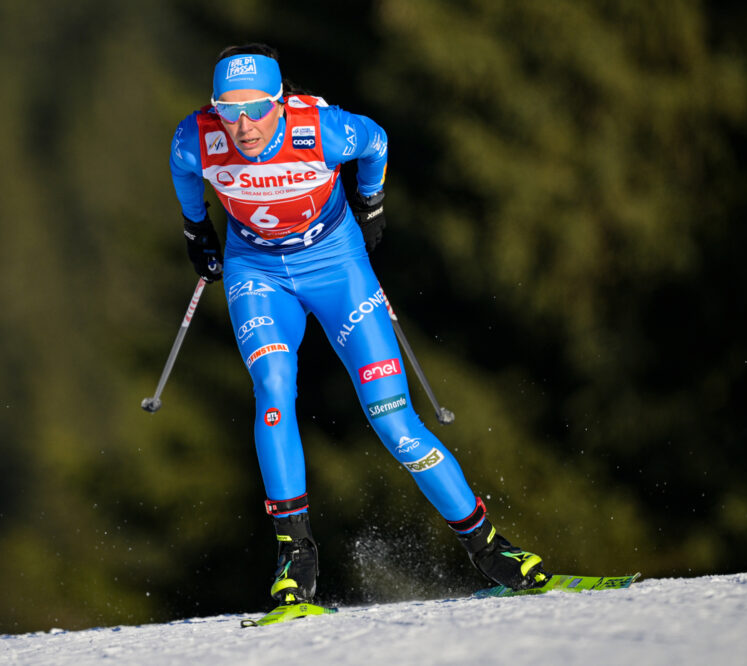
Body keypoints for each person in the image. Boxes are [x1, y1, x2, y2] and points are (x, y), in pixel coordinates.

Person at [169, 43, 548, 605]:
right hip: (258, 274)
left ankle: (491, 549)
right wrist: (195, 228)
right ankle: (295, 557)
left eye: (256, 108)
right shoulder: (197, 137)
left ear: (280, 100)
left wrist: (371, 202)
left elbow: (377, 142)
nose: (243, 125)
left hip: (338, 269)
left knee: (394, 420)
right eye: (229, 110)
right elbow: (182, 168)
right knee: (273, 388)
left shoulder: (320, 131)